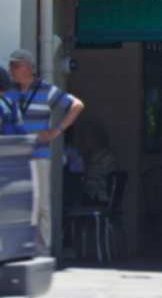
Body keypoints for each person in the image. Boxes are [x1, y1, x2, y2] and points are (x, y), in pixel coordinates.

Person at [7, 48, 85, 255]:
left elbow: (76, 105)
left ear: (27, 68)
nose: (11, 70)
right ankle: (20, 248)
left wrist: (56, 130)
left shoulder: (45, 90)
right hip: (14, 157)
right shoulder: (8, 90)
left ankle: (41, 251)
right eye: (10, 66)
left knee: (41, 203)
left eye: (14, 66)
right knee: (18, 204)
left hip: (38, 154)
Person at [80, 122, 117, 204]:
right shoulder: (107, 153)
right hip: (109, 198)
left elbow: (91, 184)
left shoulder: (97, 157)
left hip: (100, 198)